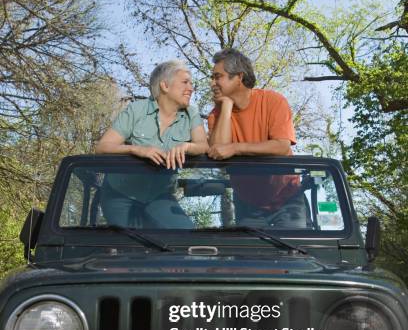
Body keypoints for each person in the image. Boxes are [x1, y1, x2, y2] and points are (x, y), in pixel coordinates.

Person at [95, 60, 208, 228]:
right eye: (185, 82)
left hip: (160, 195)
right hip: (120, 194)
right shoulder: (136, 110)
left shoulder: (192, 114)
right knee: (126, 247)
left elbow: (203, 146)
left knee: (186, 236)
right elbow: (102, 148)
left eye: (191, 83)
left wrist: (186, 146)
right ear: (165, 86)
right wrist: (137, 149)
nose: (191, 88)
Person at [207, 48, 306, 229]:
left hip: (288, 197)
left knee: (294, 254)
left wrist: (236, 148)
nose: (212, 82)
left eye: (217, 76)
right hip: (248, 204)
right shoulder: (216, 114)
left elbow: (281, 147)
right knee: (251, 256)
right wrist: (227, 106)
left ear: (238, 77)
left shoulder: (273, 101)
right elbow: (218, 153)